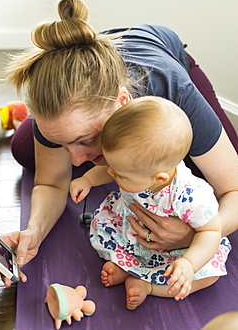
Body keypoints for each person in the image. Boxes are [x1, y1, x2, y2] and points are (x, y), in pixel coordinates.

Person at [0, 0, 237, 287]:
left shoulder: (174, 91)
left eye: (85, 139)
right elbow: (52, 183)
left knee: (202, 165)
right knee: (22, 148)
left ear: (121, 102)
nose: (75, 162)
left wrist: (197, 235)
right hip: (92, 63)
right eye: (63, 142)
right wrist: (34, 231)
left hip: (160, 48)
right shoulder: (68, 114)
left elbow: (233, 190)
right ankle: (31, 120)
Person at [70, 96, 231, 310]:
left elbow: (211, 232)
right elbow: (107, 170)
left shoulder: (191, 195)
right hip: (132, 231)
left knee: (209, 276)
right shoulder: (135, 166)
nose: (110, 172)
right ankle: (127, 267)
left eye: (118, 174)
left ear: (158, 179)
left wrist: (189, 264)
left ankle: (148, 286)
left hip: (177, 251)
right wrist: (87, 179)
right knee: (112, 235)